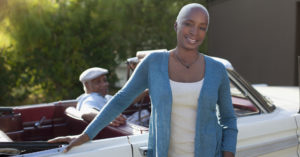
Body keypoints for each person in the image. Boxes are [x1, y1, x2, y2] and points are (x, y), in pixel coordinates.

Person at [49, 3, 238, 157]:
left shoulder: (217, 70)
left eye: (202, 27)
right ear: (176, 25)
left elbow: (228, 118)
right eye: (188, 23)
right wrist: (85, 135)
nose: (195, 32)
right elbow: (121, 100)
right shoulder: (154, 63)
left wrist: (228, 154)